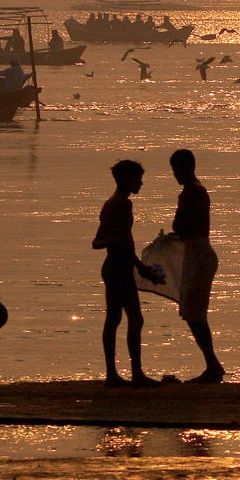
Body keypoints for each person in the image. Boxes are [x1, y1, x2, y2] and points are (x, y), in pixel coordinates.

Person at [92, 159, 165, 387]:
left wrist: (118, 245)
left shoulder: (110, 203)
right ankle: (136, 373)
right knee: (134, 318)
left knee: (113, 319)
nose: (141, 183)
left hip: (113, 267)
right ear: (127, 180)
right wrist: (140, 267)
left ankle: (112, 374)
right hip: (119, 268)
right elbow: (121, 243)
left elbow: (98, 242)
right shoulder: (122, 205)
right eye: (138, 179)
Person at [170, 149, 224, 383]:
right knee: (194, 313)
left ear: (186, 168)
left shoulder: (191, 192)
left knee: (195, 313)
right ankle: (212, 364)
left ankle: (213, 365)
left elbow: (181, 226)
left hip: (199, 255)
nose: (175, 175)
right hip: (198, 253)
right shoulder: (196, 190)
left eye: (177, 170)